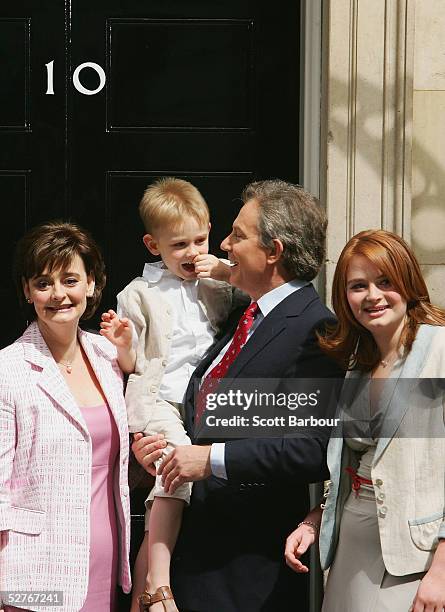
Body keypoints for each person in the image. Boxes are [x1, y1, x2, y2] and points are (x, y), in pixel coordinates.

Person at [133, 179, 344, 612]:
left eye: (238, 235)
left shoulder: (313, 328)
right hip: (191, 552)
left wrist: (209, 460)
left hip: (244, 570)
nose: (224, 245)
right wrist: (154, 447)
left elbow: (310, 449)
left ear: (274, 251)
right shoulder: (240, 312)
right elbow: (196, 412)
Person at [284, 229, 445, 612]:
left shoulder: (440, 350)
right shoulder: (358, 362)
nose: (372, 296)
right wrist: (315, 519)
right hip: (350, 548)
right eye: (358, 286)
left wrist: (441, 571)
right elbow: (352, 465)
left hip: (417, 558)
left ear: (407, 282)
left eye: (385, 281)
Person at [106, 178, 246, 612]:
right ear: (153, 245)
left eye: (200, 240)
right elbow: (130, 366)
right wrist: (124, 342)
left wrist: (224, 270)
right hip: (160, 402)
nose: (192, 252)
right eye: (179, 244)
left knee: (179, 488)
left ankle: (146, 593)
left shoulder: (216, 282)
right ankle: (160, 584)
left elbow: (256, 299)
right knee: (176, 473)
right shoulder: (138, 293)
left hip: (204, 401)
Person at [0, 221, 132, 612]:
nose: (58, 294)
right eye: (43, 283)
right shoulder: (8, 369)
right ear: (27, 291)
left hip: (105, 565)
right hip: (33, 574)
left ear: (91, 284)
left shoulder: (109, 357)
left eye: (70, 279)